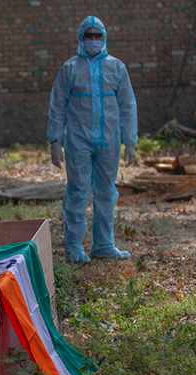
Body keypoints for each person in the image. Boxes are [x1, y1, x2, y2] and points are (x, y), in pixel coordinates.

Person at [47, 16, 138, 264]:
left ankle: (104, 244)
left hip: (109, 139)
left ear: (105, 38)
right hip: (78, 140)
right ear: (81, 38)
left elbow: (127, 105)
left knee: (107, 192)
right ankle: (74, 245)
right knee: (78, 191)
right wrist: (55, 140)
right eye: (89, 35)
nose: (94, 40)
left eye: (98, 36)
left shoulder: (117, 68)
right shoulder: (70, 69)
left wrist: (130, 140)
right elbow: (57, 106)